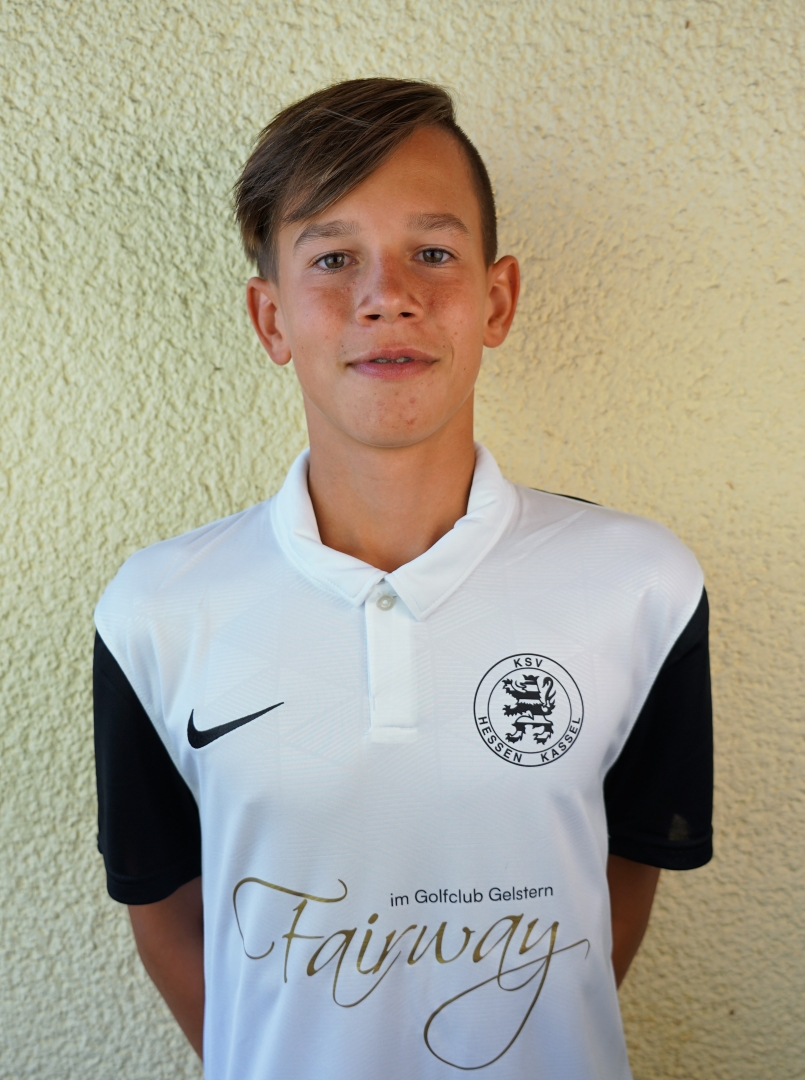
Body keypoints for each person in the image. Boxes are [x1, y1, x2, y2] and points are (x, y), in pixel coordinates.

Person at [93, 78, 712, 1080]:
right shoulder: (156, 611)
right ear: (269, 318)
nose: (388, 295)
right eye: (333, 258)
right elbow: (163, 907)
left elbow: (623, 875)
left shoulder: (641, 587)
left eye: (431, 253)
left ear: (497, 299)